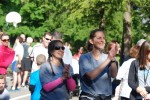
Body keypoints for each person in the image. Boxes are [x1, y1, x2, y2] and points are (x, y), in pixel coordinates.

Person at [79, 29, 118, 100]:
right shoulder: (84, 57)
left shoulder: (107, 57)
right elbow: (91, 76)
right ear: (91, 41)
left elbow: (114, 75)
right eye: (99, 38)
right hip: (89, 97)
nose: (102, 40)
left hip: (106, 97)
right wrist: (108, 59)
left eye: (104, 38)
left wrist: (112, 59)